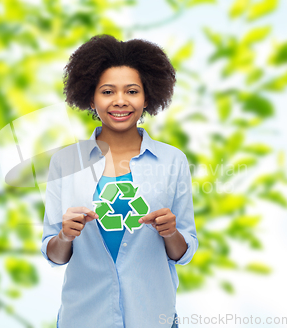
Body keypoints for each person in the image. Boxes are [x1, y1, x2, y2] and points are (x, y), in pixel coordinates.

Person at [41, 34, 198, 328]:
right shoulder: (65, 162)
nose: (120, 101)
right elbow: (53, 255)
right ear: (91, 97)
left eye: (132, 91)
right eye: (108, 91)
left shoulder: (172, 160)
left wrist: (170, 232)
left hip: (152, 316)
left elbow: (184, 251)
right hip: (85, 316)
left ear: (148, 96)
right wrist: (64, 236)